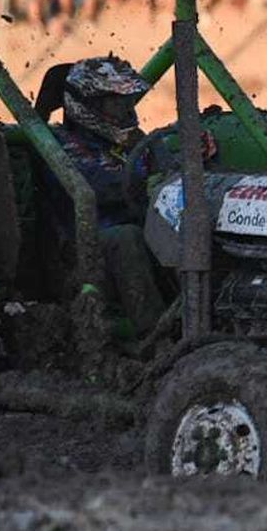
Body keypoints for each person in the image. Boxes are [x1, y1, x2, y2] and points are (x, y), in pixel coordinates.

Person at [53, 55, 166, 334]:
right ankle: (155, 334)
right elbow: (96, 187)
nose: (125, 110)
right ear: (87, 104)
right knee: (125, 237)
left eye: (128, 101)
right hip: (85, 248)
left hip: (143, 230)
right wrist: (144, 184)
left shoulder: (138, 141)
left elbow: (169, 171)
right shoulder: (61, 145)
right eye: (116, 102)